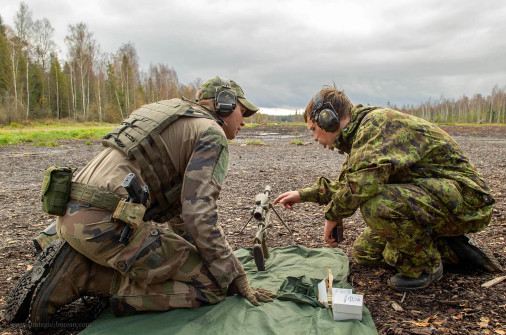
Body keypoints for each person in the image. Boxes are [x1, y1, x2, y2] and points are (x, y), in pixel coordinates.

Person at [5, 76, 276, 325]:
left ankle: (80, 256)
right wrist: (233, 275)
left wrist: (204, 255)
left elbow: (180, 214)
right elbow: (199, 214)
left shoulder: (173, 117)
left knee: (205, 267)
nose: (244, 121)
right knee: (213, 287)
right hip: (105, 227)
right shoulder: (211, 134)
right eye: (243, 111)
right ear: (225, 105)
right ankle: (86, 276)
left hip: (71, 217)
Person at [274, 85, 501, 292]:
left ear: (328, 120)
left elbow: (362, 184)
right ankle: (450, 248)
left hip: (467, 201)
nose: (314, 137)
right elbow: (348, 183)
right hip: (435, 199)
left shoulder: (378, 125)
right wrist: (303, 195)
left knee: (377, 206)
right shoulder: (362, 134)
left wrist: (333, 215)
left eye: (314, 128)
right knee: (365, 252)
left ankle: (425, 267)